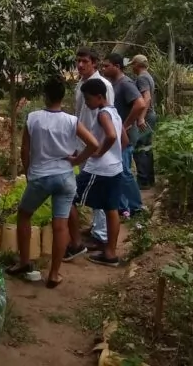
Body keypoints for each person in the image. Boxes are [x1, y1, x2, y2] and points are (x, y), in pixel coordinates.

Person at [7, 75, 99, 288]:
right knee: (60, 225)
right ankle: (54, 274)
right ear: (62, 96)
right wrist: (77, 160)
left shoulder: (33, 118)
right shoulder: (71, 120)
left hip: (40, 176)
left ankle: (24, 261)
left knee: (24, 215)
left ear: (45, 96)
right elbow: (94, 144)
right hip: (65, 177)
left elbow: (25, 150)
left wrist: (29, 171)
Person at [65, 78, 127, 267]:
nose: (86, 102)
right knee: (111, 209)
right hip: (115, 168)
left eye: (88, 98)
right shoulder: (114, 112)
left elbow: (111, 136)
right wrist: (114, 155)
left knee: (67, 197)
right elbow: (124, 140)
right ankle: (110, 254)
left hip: (99, 170)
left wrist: (99, 152)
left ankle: (76, 244)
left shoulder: (102, 115)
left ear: (100, 97)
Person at [74, 46, 115, 249]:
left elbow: (108, 115)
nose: (80, 65)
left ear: (94, 63)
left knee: (98, 189)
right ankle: (97, 229)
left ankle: (101, 235)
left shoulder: (103, 85)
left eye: (85, 61)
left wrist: (100, 148)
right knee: (94, 191)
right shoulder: (80, 85)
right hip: (84, 145)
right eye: (78, 61)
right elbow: (79, 116)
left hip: (97, 147)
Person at [101, 52, 146, 216]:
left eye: (107, 66)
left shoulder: (125, 83)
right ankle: (122, 206)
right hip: (118, 135)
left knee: (124, 171)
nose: (103, 69)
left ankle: (136, 206)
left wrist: (124, 125)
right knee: (118, 170)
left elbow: (140, 104)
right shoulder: (113, 84)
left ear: (117, 67)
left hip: (125, 136)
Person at [130, 54, 157, 189]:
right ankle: (150, 179)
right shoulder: (148, 76)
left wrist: (141, 117)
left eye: (133, 64)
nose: (132, 67)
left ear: (138, 65)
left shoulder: (141, 78)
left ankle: (143, 181)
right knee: (147, 148)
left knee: (139, 148)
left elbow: (146, 98)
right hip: (151, 115)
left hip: (146, 116)